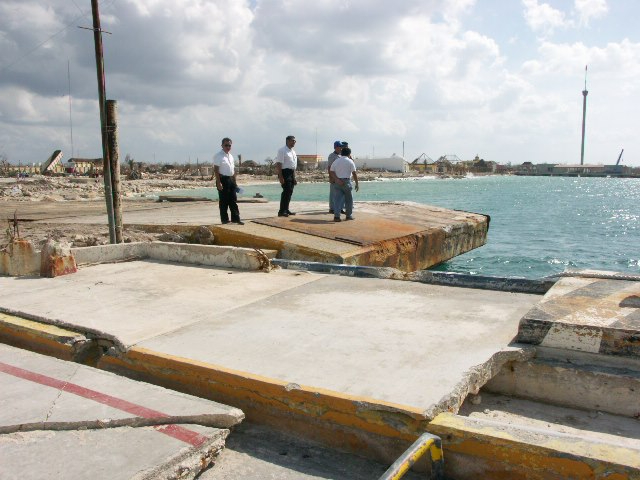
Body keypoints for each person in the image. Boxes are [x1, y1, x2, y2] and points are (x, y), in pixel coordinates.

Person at [213, 137, 243, 225]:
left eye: (229, 145)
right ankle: (225, 219)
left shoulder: (231, 156)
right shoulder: (218, 156)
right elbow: (216, 169)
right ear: (222, 145)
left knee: (233, 200)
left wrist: (235, 183)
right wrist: (219, 182)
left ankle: (236, 219)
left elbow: (233, 170)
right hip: (223, 179)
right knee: (224, 201)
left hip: (231, 180)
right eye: (226, 145)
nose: (228, 147)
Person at [329, 146, 359, 221]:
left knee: (337, 200)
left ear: (341, 153)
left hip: (337, 182)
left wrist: (336, 179)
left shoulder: (336, 161)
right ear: (349, 154)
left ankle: (337, 216)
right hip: (347, 181)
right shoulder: (350, 161)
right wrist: (357, 184)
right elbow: (354, 173)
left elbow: (331, 171)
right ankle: (348, 215)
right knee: (349, 200)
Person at [275, 135, 298, 217]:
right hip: (285, 172)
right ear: (288, 141)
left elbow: (293, 166)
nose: (294, 142)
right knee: (286, 191)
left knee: (290, 192)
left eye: (295, 141)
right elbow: (279, 164)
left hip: (291, 173)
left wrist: (294, 177)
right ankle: (281, 211)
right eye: (293, 140)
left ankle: (286, 209)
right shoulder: (282, 150)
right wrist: (280, 177)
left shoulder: (293, 151)